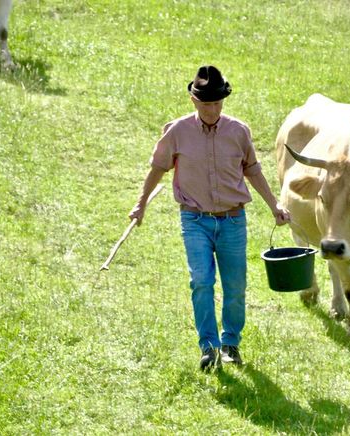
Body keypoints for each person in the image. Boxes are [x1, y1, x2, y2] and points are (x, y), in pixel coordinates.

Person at [129, 65, 291, 371]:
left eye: (218, 104)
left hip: (233, 220)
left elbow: (252, 169)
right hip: (195, 220)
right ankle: (209, 347)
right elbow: (157, 168)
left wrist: (274, 205)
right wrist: (141, 205)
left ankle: (230, 342)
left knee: (235, 285)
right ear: (193, 100)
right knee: (201, 281)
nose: (213, 110)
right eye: (206, 104)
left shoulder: (238, 131)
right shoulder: (177, 132)